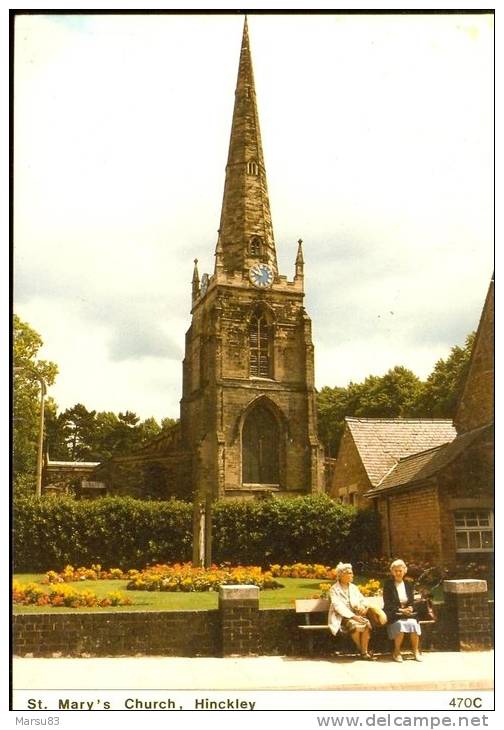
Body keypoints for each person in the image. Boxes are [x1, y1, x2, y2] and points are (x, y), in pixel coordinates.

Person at [328, 562, 377, 660]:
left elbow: (362, 600)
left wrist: (363, 607)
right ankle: (362, 651)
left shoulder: (353, 588)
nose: (352, 575)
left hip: (356, 614)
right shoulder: (334, 589)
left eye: (351, 573)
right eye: (350, 573)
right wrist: (354, 617)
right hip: (342, 617)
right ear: (341, 575)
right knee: (354, 626)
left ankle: (363, 651)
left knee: (366, 624)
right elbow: (338, 606)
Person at [383, 559, 423, 662]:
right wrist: (401, 610)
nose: (398, 573)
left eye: (400, 570)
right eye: (395, 571)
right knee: (400, 625)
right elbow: (388, 604)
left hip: (408, 614)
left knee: (414, 624)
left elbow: (412, 601)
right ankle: (396, 652)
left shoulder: (408, 584)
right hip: (394, 614)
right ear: (392, 572)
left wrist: (411, 608)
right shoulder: (388, 585)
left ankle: (415, 651)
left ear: (404, 571)